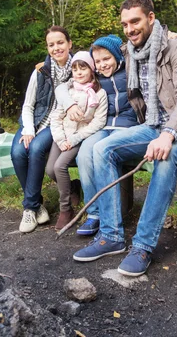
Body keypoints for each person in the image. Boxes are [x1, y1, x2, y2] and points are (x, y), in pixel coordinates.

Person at [72, 0, 177, 276]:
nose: (129, 28)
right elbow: (99, 60)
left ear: (151, 18)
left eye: (135, 21)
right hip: (150, 125)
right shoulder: (130, 51)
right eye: (125, 24)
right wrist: (52, 66)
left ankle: (143, 246)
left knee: (166, 155)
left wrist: (168, 134)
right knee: (102, 149)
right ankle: (111, 236)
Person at [55, 35, 141, 236]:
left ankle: (112, 212)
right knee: (85, 153)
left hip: (127, 127)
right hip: (102, 127)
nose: (103, 65)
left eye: (107, 59)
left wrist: (171, 36)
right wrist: (69, 103)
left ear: (117, 57)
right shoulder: (95, 80)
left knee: (102, 153)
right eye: (99, 61)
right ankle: (93, 213)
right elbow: (62, 87)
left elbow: (143, 49)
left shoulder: (131, 71)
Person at [11, 25, 76, 233]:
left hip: (55, 124)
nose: (56, 48)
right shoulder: (41, 71)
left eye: (60, 43)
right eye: (51, 44)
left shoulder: (80, 68)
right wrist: (28, 129)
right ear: (47, 48)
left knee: (37, 148)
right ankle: (37, 205)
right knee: (18, 151)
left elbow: (108, 52)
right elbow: (28, 105)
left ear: (69, 44)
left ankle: (28, 208)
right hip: (34, 120)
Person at [45, 51, 108, 230]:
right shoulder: (68, 92)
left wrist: (74, 139)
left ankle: (66, 209)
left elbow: (99, 121)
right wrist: (60, 139)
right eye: (75, 69)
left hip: (79, 138)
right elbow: (56, 117)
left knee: (59, 167)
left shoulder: (99, 94)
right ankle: (73, 187)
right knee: (50, 169)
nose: (79, 72)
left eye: (83, 68)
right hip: (62, 135)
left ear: (91, 70)